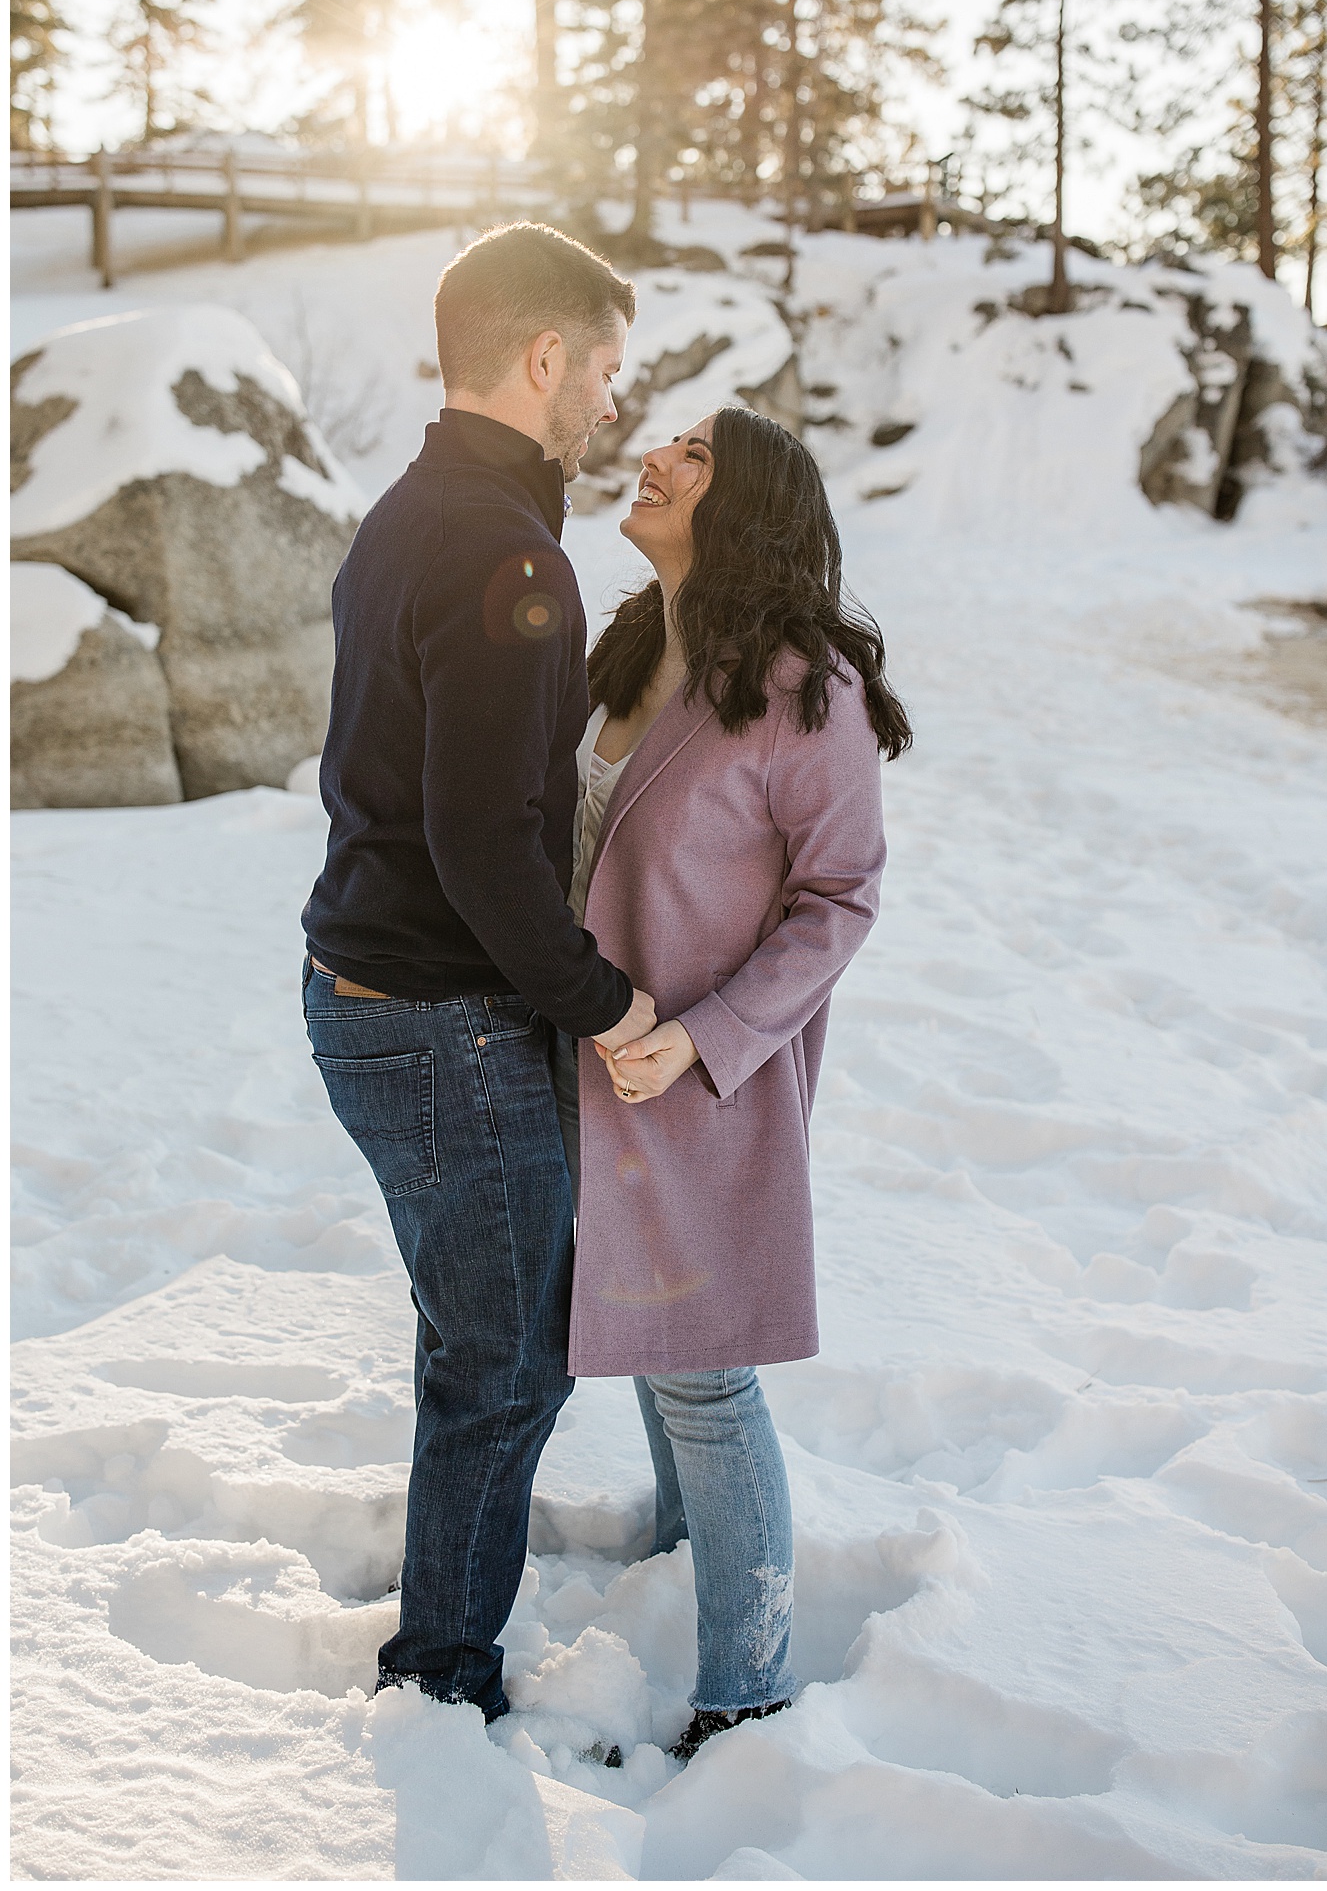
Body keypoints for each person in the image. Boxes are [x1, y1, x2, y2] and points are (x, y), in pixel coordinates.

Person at [301, 222, 656, 1724]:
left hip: (376, 999)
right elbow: (481, 837)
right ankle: (439, 1680)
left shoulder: (413, 512)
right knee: (504, 1368)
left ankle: (443, 1635)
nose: (611, 406)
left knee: (482, 1339)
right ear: (545, 356)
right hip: (438, 1019)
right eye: (607, 372)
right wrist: (605, 1004)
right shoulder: (506, 545)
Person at [551, 404, 910, 1761]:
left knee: (704, 1380)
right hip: (580, 1069)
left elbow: (842, 897)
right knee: (655, 1362)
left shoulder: (800, 682)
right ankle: (669, 1568)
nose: (654, 455)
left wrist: (706, 1035)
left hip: (699, 1085)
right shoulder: (636, 645)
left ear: (748, 499)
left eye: (694, 452)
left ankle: (746, 1692)